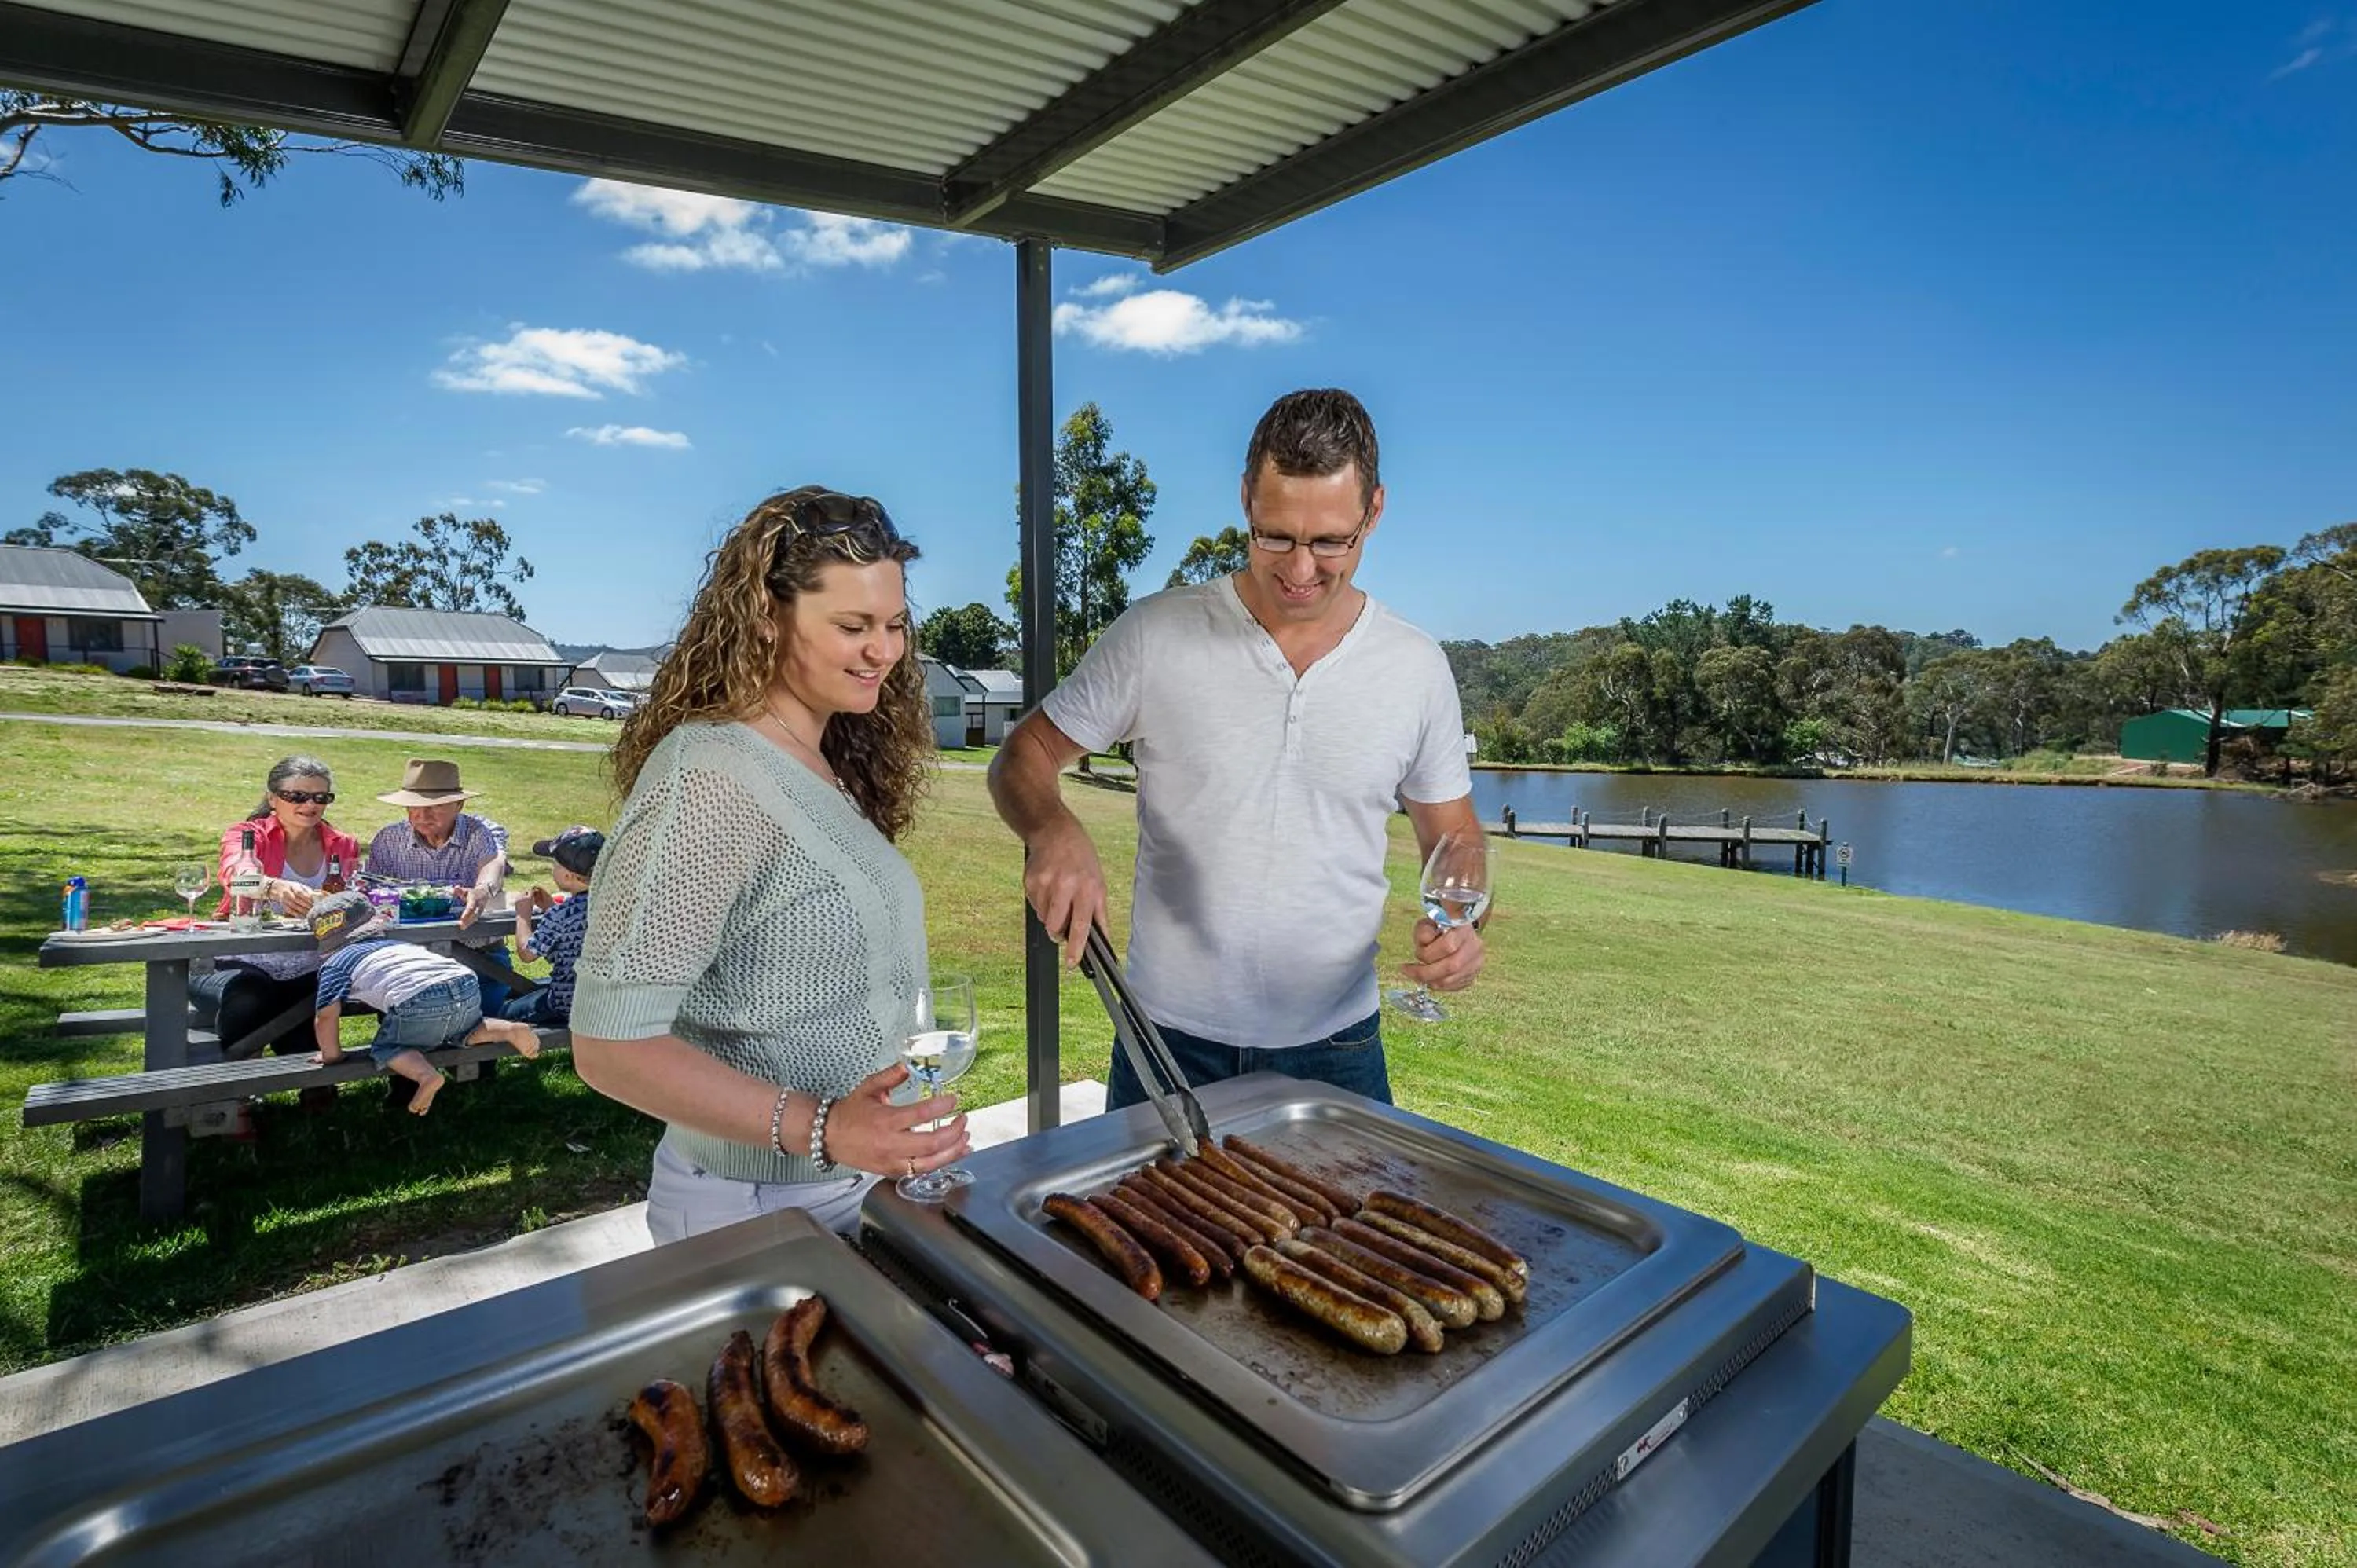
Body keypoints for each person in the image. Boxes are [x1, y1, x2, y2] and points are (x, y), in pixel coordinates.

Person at [989, 388, 1487, 1108]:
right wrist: (1050, 827)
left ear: (1373, 512)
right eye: (1275, 536)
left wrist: (1464, 928)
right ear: (1247, 498)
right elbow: (1022, 758)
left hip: (1338, 1049)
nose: (1300, 570)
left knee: (1350, 1229)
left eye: (1330, 543)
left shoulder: (1414, 666)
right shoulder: (1157, 634)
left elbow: (1459, 837)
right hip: (1164, 1042)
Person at [571, 486, 971, 1243]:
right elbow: (609, 1046)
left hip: (849, 1184)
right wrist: (825, 1129)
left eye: (893, 625)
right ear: (766, 620)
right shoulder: (711, 777)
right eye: (853, 626)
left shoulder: (818, 764)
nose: (883, 650)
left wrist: (874, 1136)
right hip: (752, 1204)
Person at [190, 755, 362, 1079]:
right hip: (237, 957)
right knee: (250, 998)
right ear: (272, 798)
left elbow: (353, 896)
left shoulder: (343, 844)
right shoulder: (247, 835)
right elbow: (233, 877)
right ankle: (235, 1093)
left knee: (316, 996)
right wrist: (273, 888)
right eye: (297, 796)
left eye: (320, 797)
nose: (310, 805)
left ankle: (316, 1090)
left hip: (310, 959)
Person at [307, 891, 539, 1116]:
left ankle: (426, 1076)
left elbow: (326, 1015)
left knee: (386, 1048)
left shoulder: (336, 964)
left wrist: (332, 1056)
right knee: (467, 1029)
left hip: (419, 998)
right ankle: (509, 1030)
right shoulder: (395, 945)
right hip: (463, 979)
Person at [361, 758, 516, 1014]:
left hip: (478, 954)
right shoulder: (388, 839)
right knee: (406, 1035)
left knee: (481, 1034)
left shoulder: (480, 832)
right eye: (413, 807)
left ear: (459, 804)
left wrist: (481, 891)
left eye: (434, 807)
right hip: (410, 957)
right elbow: (371, 894)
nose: (422, 816)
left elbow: (493, 865)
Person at [505, 826, 600, 1028]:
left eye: (555, 864)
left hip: (567, 1004)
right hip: (605, 1002)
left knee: (504, 1014)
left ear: (568, 876)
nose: (552, 869)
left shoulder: (563, 913)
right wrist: (550, 907)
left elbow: (527, 954)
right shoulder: (612, 905)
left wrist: (523, 914)